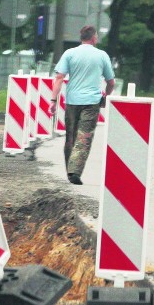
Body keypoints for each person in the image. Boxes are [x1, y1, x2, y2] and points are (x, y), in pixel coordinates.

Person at [49, 25, 115, 185]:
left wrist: (53, 101)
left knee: (70, 137)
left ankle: (70, 170)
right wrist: (106, 93)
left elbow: (59, 78)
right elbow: (111, 82)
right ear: (93, 38)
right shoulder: (102, 55)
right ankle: (75, 171)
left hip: (72, 101)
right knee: (84, 137)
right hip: (91, 102)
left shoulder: (69, 54)